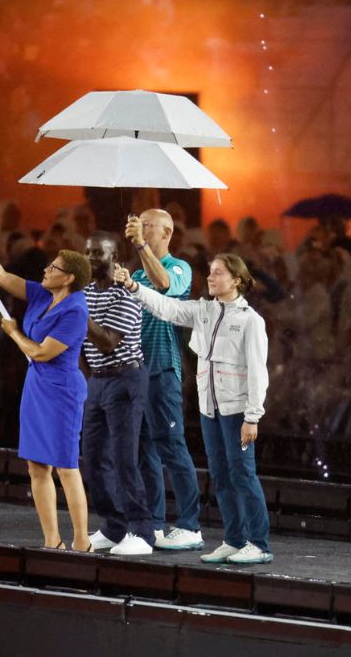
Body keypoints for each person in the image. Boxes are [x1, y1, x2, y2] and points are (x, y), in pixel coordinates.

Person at [115, 253, 273, 564]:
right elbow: (167, 307)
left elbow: (258, 371)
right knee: (221, 475)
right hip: (209, 411)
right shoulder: (205, 311)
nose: (210, 278)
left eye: (218, 273)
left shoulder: (250, 321)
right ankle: (234, 539)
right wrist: (134, 286)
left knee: (243, 474)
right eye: (210, 272)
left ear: (237, 280)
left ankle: (259, 543)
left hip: (237, 413)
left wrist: (253, 416)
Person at [0, 226, 92, 552]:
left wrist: (13, 333)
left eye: (53, 267)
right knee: (36, 465)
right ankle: (51, 541)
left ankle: (82, 541)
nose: (46, 270)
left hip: (62, 390)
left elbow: (43, 351)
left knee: (66, 467)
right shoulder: (42, 294)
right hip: (37, 386)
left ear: (69, 278)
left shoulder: (75, 310)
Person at [125, 209, 204, 551]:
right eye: (138, 224)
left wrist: (140, 246)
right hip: (135, 372)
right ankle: (154, 523)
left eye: (147, 225)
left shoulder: (178, 267)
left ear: (166, 231)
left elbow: (165, 286)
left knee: (172, 447)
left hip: (163, 370)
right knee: (145, 452)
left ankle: (189, 524)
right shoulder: (136, 274)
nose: (140, 229)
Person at [82, 232, 153, 556]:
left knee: (125, 457)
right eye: (87, 252)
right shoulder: (84, 292)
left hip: (125, 378)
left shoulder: (126, 293)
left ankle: (142, 531)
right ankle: (114, 526)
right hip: (97, 381)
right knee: (94, 458)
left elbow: (108, 341)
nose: (89, 259)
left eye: (97, 253)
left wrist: (76, 311)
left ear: (114, 257)